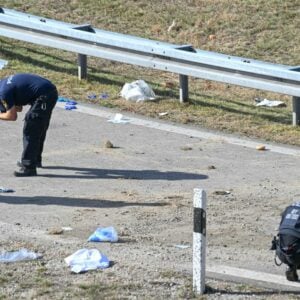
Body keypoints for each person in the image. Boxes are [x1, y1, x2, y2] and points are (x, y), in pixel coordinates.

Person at [0, 73, 58, 177]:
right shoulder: (4, 84)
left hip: (44, 95)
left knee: (31, 129)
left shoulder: (3, 93)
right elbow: (19, 108)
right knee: (39, 127)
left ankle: (28, 167)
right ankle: (35, 160)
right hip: (48, 91)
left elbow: (12, 116)